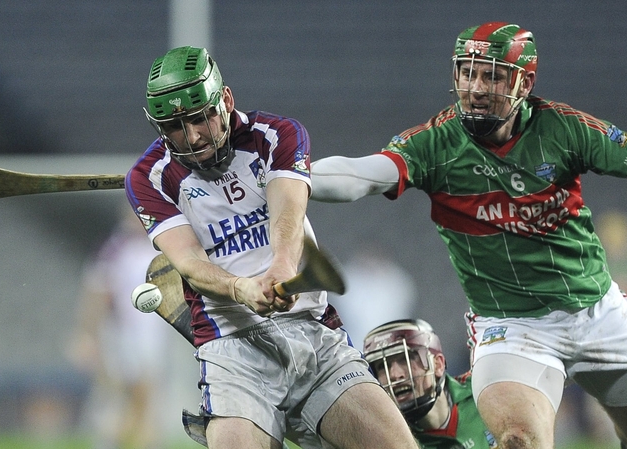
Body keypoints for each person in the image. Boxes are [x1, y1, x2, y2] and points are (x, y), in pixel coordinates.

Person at [309, 22, 627, 449]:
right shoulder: (435, 144)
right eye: (467, 72)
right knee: (518, 440)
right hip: (508, 326)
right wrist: (293, 177)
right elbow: (360, 174)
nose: (475, 87)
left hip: (595, 313)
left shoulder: (562, 128)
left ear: (524, 82)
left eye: (492, 75)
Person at [125, 46, 419, 449]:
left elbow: (288, 212)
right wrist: (240, 289)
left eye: (200, 118)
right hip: (232, 349)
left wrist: (281, 266)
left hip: (314, 336)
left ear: (225, 100)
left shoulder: (277, 136)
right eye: (175, 126)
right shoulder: (149, 177)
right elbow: (189, 261)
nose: (192, 136)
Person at [66, 203, 168, 448]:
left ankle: (130, 441)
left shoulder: (160, 247)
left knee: (144, 399)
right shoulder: (116, 248)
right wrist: (86, 333)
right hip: (124, 334)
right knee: (127, 396)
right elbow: (97, 291)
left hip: (153, 335)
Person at [363, 319, 498, 449]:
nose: (394, 374)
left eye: (406, 358)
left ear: (438, 364)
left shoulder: (487, 389)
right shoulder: (385, 442)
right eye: (382, 366)